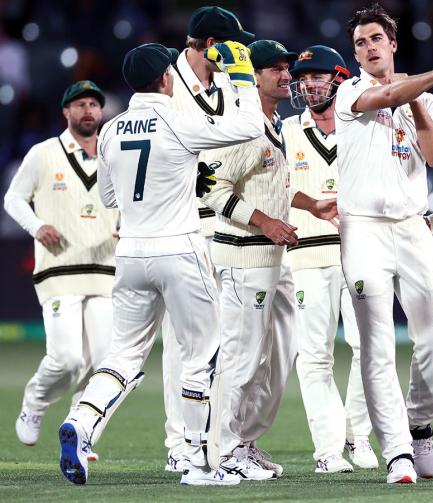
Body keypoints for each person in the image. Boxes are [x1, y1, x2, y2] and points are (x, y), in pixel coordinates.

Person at [57, 41, 263, 486]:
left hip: (130, 252)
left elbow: (110, 198)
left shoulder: (109, 130)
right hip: (180, 249)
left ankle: (82, 423)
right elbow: (249, 125)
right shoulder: (177, 118)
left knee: (123, 355)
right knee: (201, 355)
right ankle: (195, 462)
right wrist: (243, 74)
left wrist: (171, 182)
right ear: (167, 78)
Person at [335, 3, 433, 484]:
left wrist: (417, 95)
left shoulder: (422, 99)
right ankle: (396, 454)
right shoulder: (349, 91)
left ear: (392, 44)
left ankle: (419, 426)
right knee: (376, 343)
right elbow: (380, 98)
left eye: (374, 39)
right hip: (363, 228)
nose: (367, 49)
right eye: (359, 44)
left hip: (413, 230)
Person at [201, 40, 338, 480]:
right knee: (241, 358)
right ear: (253, 77)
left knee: (279, 359)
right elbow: (209, 186)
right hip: (244, 259)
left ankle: (244, 441)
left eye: (286, 68)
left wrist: (308, 205)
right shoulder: (241, 126)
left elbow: (270, 182)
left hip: (273, 259)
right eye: (274, 69)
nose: (285, 76)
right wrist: (265, 223)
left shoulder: (273, 124)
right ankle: (221, 455)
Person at [161, 4, 255, 474]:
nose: (240, 53)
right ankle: (179, 443)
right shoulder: (167, 83)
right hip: (174, 224)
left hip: (215, 222)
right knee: (181, 342)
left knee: (211, 342)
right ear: (211, 45)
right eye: (231, 44)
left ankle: (204, 442)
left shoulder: (221, 88)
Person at [4, 81, 118, 462]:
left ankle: (78, 429)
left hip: (106, 269)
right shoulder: (43, 153)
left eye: (94, 104)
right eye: (80, 104)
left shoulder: (114, 153)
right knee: (68, 358)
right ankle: (35, 401)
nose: (88, 110)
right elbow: (13, 199)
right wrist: (37, 226)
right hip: (59, 268)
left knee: (102, 361)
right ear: (65, 112)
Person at [284, 44, 378, 473]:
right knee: (315, 354)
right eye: (303, 78)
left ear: (340, 77)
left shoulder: (364, 124)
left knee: (367, 348)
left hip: (360, 251)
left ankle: (357, 435)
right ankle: (327, 449)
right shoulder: (284, 131)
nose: (309, 84)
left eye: (318, 75)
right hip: (306, 254)